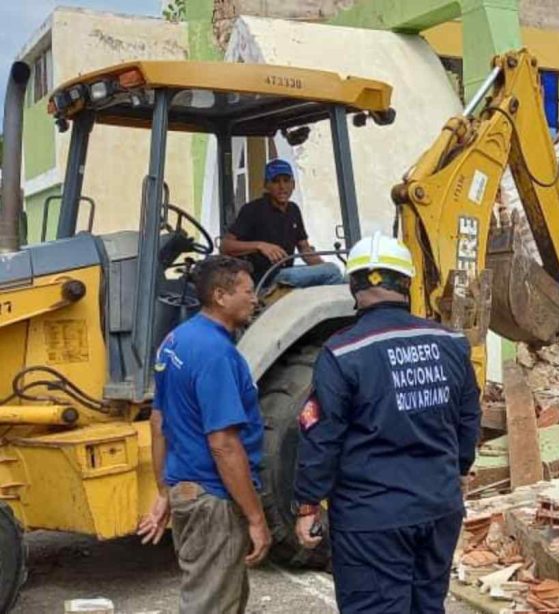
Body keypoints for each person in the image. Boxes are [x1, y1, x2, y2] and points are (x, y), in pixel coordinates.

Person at [291, 232, 481, 613]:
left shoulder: (343, 352)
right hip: (438, 508)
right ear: (407, 283)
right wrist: (456, 470)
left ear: (354, 284)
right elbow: (468, 419)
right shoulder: (450, 342)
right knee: (427, 605)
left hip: (372, 519)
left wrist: (307, 505)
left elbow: (322, 438)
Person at [137, 255, 271, 614]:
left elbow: (159, 420)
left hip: (189, 493)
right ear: (221, 296)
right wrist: (257, 518)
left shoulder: (175, 341)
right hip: (214, 500)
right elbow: (224, 444)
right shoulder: (217, 355)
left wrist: (166, 490)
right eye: (246, 291)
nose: (254, 298)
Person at [221, 158, 345, 289]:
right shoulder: (253, 210)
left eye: (286, 181)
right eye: (276, 181)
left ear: (293, 184)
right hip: (265, 279)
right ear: (266, 185)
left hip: (288, 272)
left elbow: (304, 248)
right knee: (332, 271)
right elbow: (226, 246)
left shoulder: (294, 210)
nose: (282, 187)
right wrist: (260, 246)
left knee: (339, 276)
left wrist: (323, 268)